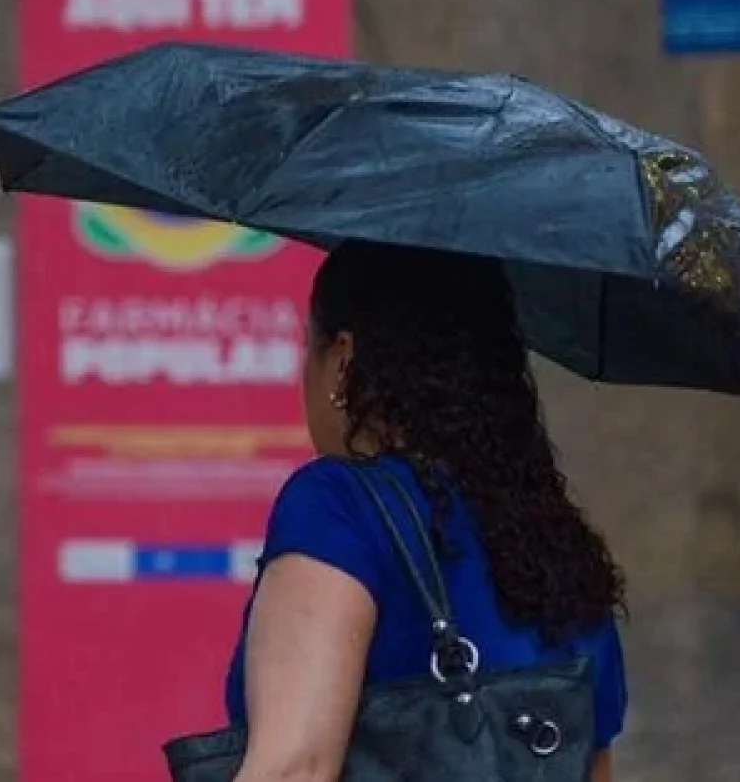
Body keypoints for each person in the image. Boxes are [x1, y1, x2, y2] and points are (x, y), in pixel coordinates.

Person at [223, 240, 628, 782]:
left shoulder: (339, 506)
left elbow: (295, 767)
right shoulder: (560, 550)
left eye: (307, 352)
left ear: (343, 361)